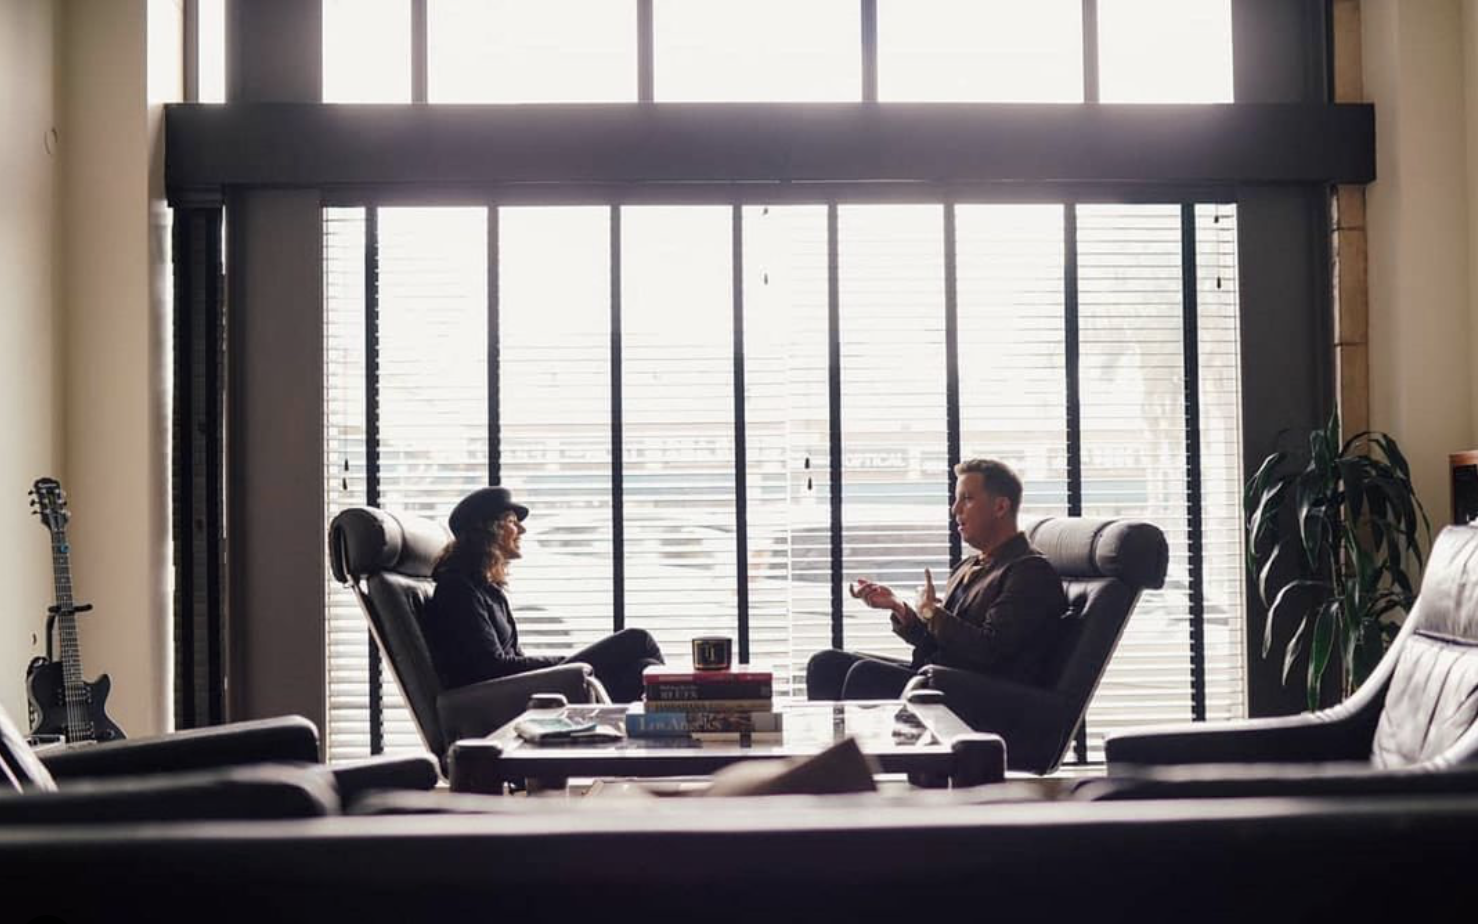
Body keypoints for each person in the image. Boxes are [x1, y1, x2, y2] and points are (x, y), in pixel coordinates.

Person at [806, 458, 1069, 700]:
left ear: (1000, 506)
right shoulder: (970, 566)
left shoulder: (1029, 572)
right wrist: (900, 608)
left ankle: (851, 753)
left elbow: (990, 650)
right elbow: (939, 643)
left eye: (967, 499)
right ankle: (836, 754)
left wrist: (933, 613)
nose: (955, 509)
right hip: (938, 679)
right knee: (827, 664)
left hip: (978, 695)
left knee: (864, 676)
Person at [421, 486, 664, 702]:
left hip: (516, 688)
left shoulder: (486, 588)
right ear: (488, 529)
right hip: (501, 698)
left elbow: (509, 660)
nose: (522, 529)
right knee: (637, 640)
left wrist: (567, 665)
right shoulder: (458, 589)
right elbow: (491, 666)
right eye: (512, 521)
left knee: (643, 669)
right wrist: (566, 664)